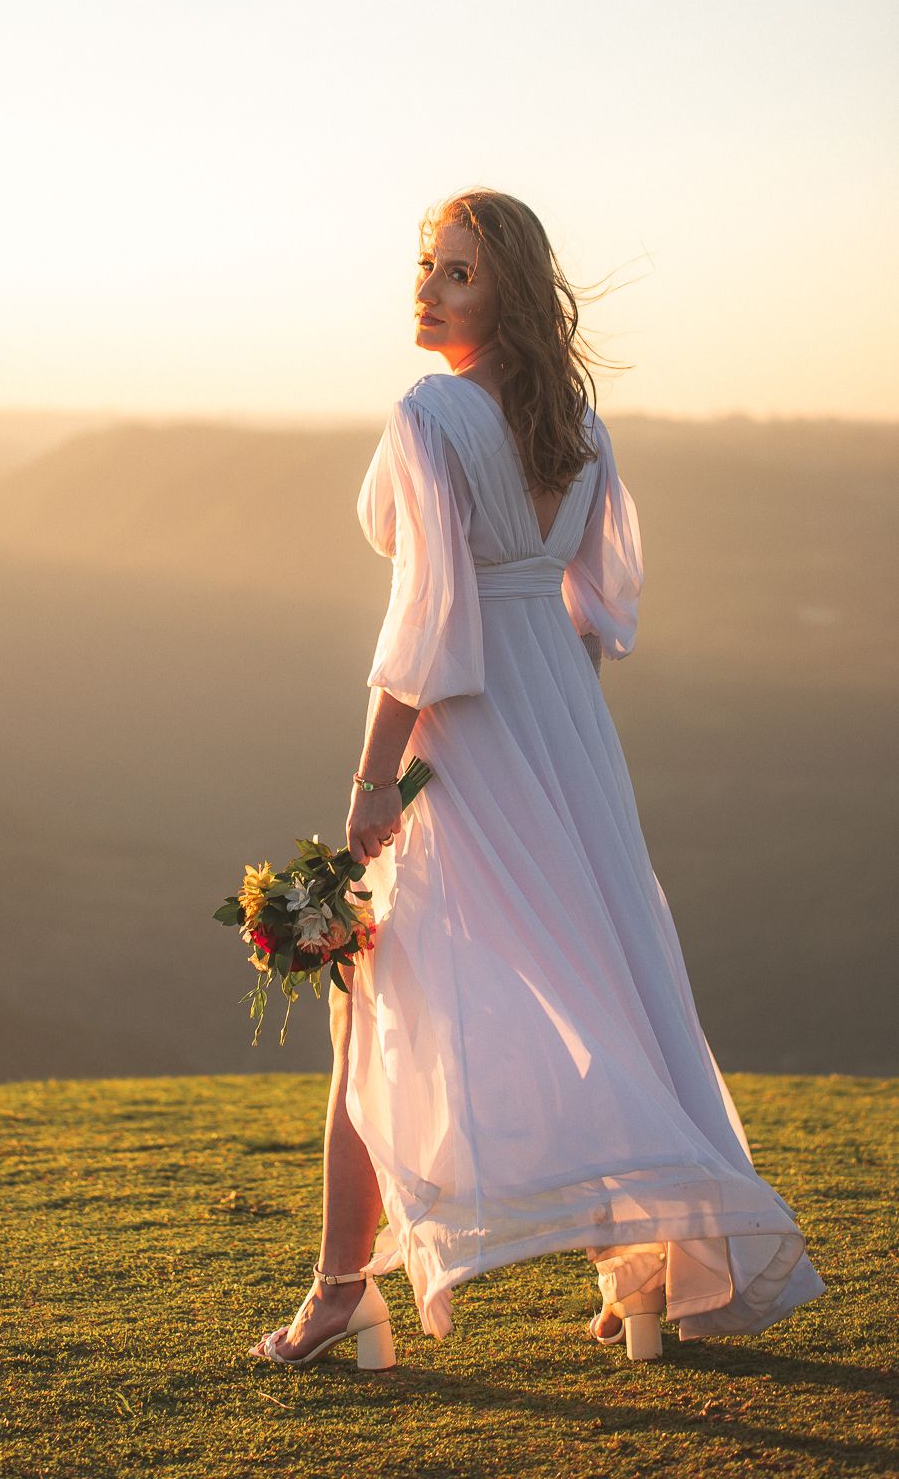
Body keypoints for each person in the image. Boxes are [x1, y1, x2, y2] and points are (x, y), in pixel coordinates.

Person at [250, 188, 825, 1369]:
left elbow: (421, 622)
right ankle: (647, 1280)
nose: (427, 287)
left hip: (461, 734)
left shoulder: (428, 414)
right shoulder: (581, 427)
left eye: (455, 272)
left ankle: (338, 1293)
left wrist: (370, 781)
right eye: (425, 266)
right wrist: (554, 718)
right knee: (605, 984)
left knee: (369, 1009)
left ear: (504, 289)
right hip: (562, 730)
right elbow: (591, 613)